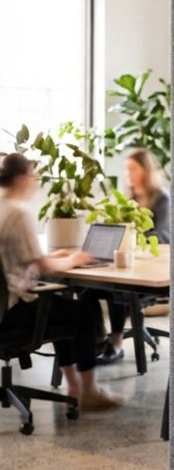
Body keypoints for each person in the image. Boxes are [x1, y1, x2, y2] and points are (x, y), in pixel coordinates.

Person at [0, 152, 122, 411]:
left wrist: (55, 256)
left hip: (4, 309)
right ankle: (87, 392)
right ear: (21, 178)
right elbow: (44, 267)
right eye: (33, 176)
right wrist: (76, 258)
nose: (35, 182)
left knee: (59, 308)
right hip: (13, 312)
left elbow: (18, 258)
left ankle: (75, 388)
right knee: (83, 313)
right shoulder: (19, 212)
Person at [97, 148, 170, 365]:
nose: (127, 173)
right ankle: (97, 342)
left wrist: (135, 240)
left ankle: (117, 343)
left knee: (119, 289)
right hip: (127, 263)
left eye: (132, 169)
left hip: (152, 267)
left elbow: (164, 234)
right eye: (125, 169)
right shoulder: (128, 199)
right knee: (90, 291)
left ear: (145, 171)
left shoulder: (161, 198)